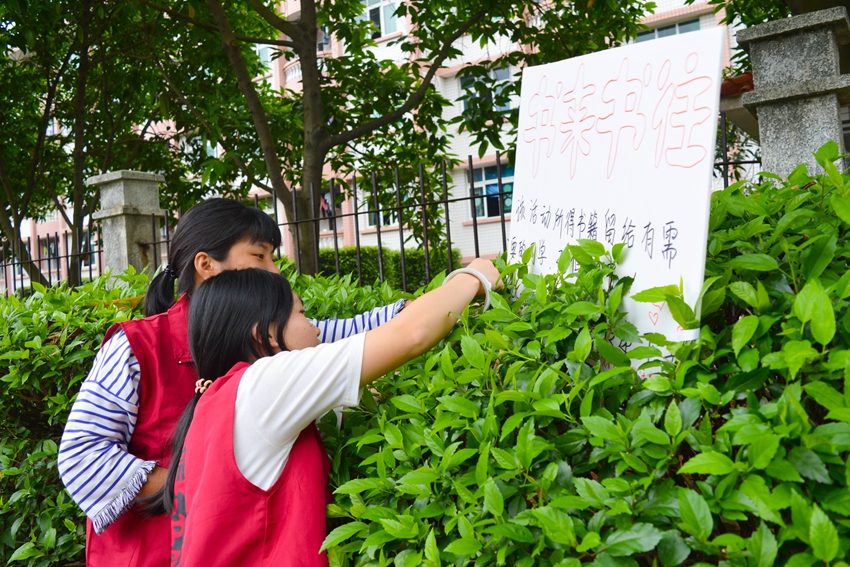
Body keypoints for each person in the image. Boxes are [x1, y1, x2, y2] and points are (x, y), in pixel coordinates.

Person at [57, 199, 407, 567]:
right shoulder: (135, 347)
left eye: (274, 257)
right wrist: (200, 484)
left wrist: (428, 304)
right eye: (260, 256)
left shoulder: (270, 331)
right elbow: (81, 456)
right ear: (206, 265)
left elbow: (352, 334)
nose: (275, 272)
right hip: (149, 554)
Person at [149, 261, 499, 567]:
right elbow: (410, 334)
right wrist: (473, 277)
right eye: (302, 314)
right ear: (266, 334)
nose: (316, 328)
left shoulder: (219, 402)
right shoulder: (263, 385)